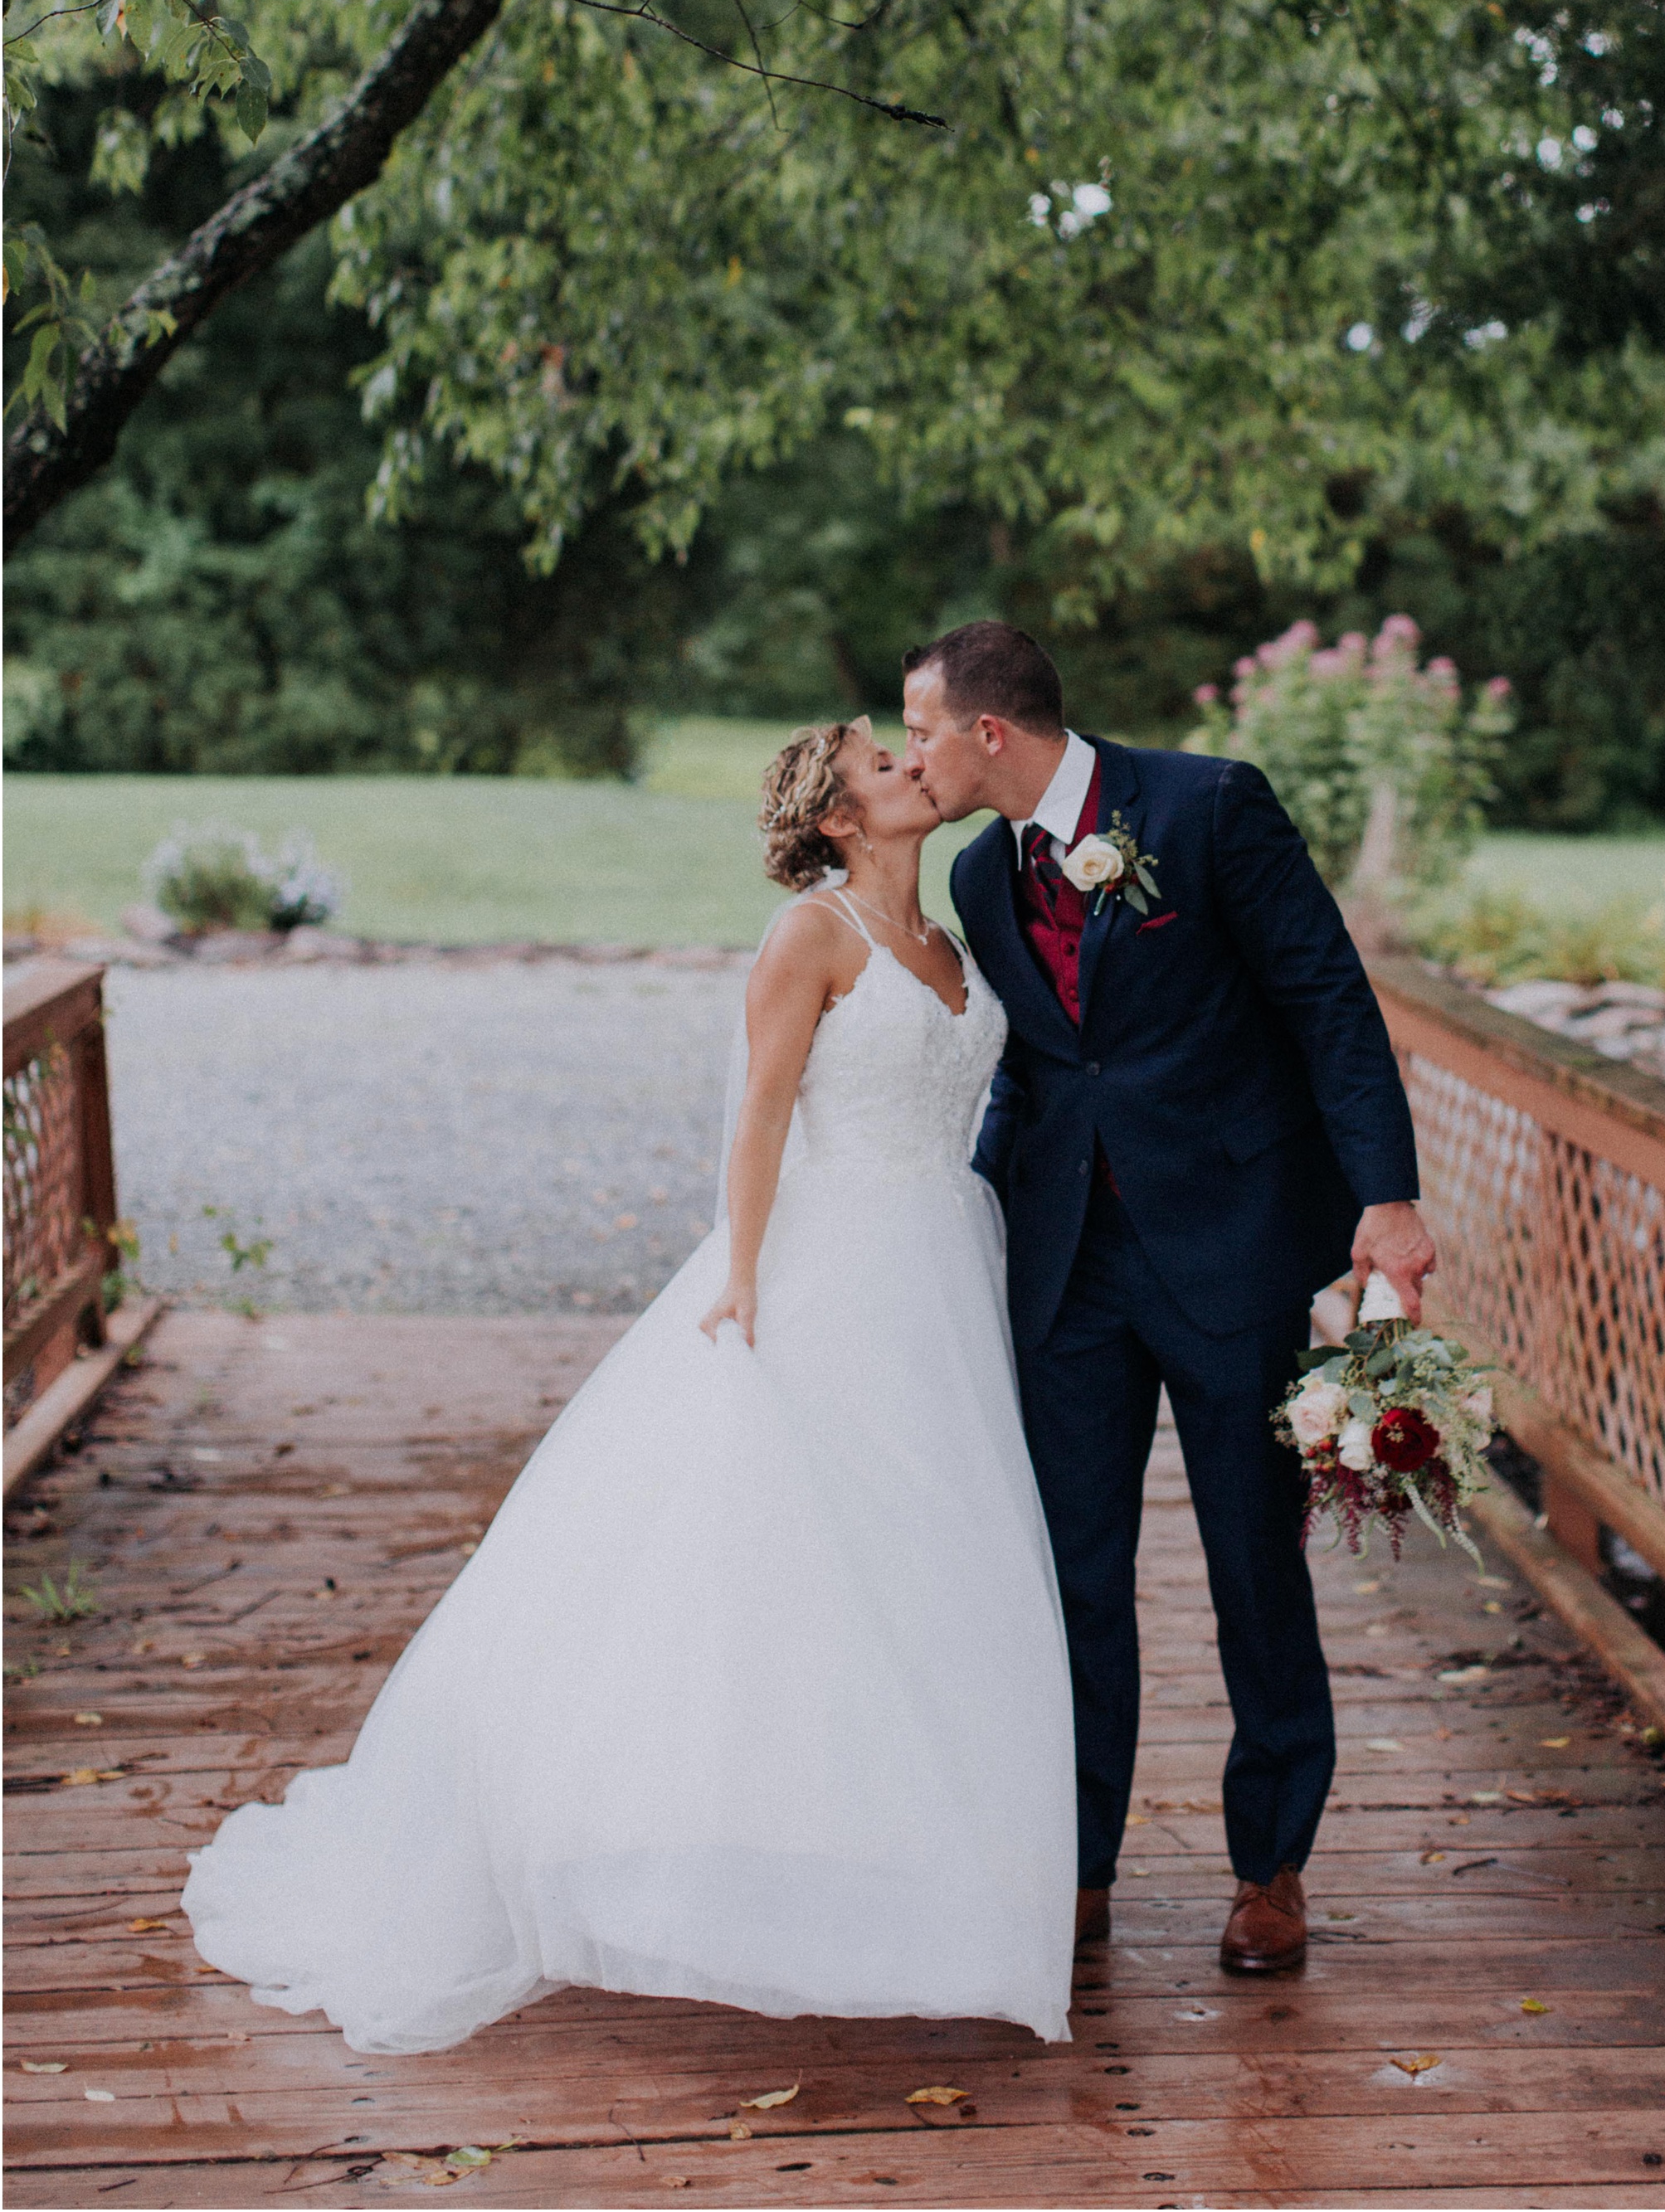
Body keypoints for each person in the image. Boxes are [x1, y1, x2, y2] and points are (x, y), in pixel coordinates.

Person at [183, 719, 1076, 2054]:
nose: (916, 770)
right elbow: (761, 1115)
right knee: (763, 1566)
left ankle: (920, 1879)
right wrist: (749, 1275)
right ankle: (692, 1861)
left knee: (931, 1569)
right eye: (887, 767)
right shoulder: (811, 939)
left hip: (942, 1272)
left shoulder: (956, 931)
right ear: (838, 821)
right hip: (832, 1271)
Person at [903, 620, 1435, 1980]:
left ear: (990, 734)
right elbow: (1040, 1063)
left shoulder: (1206, 808)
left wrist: (1386, 1200)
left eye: (920, 730)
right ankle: (1078, 1864)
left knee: (1253, 1568)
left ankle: (1271, 1869)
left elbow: (1327, 998)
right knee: (1073, 1578)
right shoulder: (977, 873)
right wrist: (960, 1209)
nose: (910, 755)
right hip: (1066, 1265)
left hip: (1232, 1253)